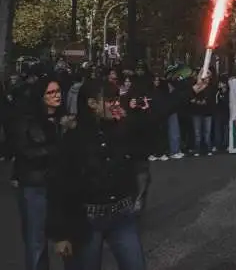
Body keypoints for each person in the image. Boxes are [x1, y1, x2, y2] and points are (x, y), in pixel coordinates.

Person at [47, 72, 208, 270]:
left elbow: (159, 111)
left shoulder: (123, 125)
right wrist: (61, 235)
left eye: (117, 99)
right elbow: (59, 187)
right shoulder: (73, 139)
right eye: (109, 100)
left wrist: (192, 90)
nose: (116, 104)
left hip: (122, 216)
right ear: (92, 104)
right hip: (86, 221)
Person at [11, 78, 74, 270]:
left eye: (58, 91)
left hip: (62, 184)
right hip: (35, 185)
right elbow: (26, 151)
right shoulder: (27, 120)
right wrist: (58, 147)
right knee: (36, 242)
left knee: (69, 238)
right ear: (41, 96)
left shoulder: (65, 118)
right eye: (50, 92)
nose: (56, 95)